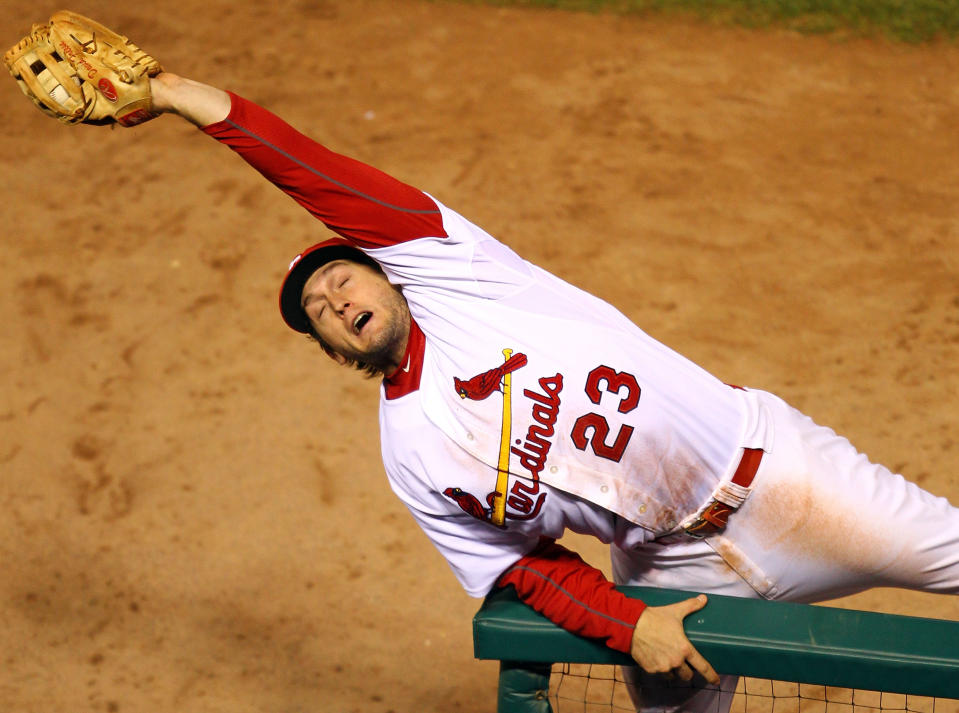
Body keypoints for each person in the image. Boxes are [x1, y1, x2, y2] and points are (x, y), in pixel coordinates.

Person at [9, 23, 958, 708]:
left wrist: (177, 96)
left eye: (339, 276)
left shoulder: (462, 277)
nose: (335, 301)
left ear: (388, 269)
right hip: (671, 567)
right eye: (319, 315)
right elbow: (520, 573)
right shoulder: (412, 449)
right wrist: (630, 623)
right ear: (334, 349)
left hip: (788, 481)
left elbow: (312, 169)